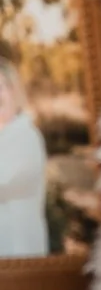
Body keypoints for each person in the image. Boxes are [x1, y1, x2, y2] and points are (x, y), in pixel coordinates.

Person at [0, 59, 49, 257]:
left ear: (14, 92)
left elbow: (3, 182)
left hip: (20, 255)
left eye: (0, 87)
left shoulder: (26, 137)